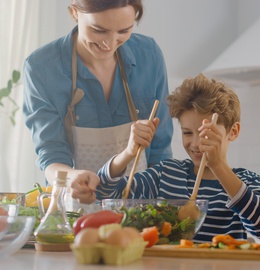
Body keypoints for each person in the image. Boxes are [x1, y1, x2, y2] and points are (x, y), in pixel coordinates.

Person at [22, 0, 173, 207]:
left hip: (142, 211)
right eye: (98, 30)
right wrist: (71, 177)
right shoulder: (41, 68)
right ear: (75, 12)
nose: (110, 43)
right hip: (74, 208)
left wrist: (163, 210)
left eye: (124, 31)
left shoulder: (149, 55)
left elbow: (161, 150)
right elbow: (51, 155)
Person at [90, 73, 260, 242]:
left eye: (205, 133)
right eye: (187, 133)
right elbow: (103, 193)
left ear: (233, 131)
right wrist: (128, 152)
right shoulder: (166, 174)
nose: (196, 143)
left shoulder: (247, 181)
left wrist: (218, 166)